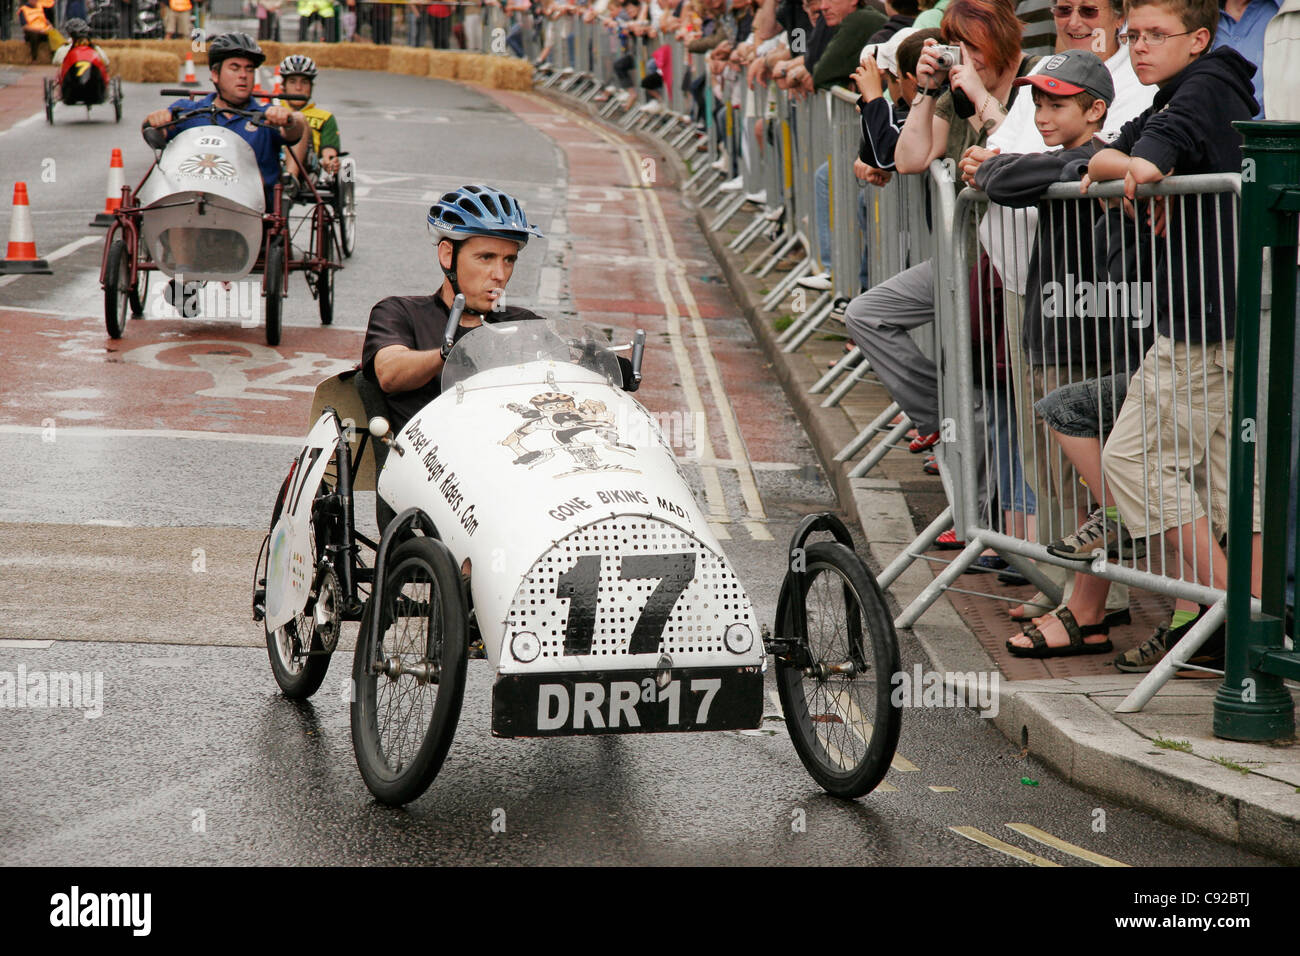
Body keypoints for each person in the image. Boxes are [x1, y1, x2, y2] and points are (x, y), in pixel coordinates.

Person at [1084, 0, 1261, 673]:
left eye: (1157, 35)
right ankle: (1243, 627)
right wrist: (1124, 168)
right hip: (1223, 312)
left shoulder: (1202, 89)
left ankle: (1233, 617)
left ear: (1199, 37)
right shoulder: (1183, 90)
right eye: (1132, 35)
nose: (1139, 47)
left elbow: (1145, 165)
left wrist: (1137, 172)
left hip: (1205, 317)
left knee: (1130, 462)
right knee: (1227, 489)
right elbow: (1107, 155)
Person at [967, 50, 1120, 656]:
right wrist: (1008, 169)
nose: (1042, 112)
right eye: (1037, 101)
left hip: (1092, 338)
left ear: (1095, 108)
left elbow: (1005, 178)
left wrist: (1005, 169)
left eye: (1057, 103)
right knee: (1071, 490)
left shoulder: (1099, 158)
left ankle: (1095, 609)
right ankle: (1083, 607)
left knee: (1099, 490)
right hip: (1051, 331)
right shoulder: (1058, 161)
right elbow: (1005, 181)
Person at [362, 185, 547, 436]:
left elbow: (577, 358)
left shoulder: (523, 324)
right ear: (448, 255)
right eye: (486, 258)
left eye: (509, 260)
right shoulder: (400, 312)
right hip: (424, 462)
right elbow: (390, 372)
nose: (500, 275)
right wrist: (445, 353)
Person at [144, 34, 307, 213]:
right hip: (190, 212)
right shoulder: (188, 111)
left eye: (249, 69)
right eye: (235, 68)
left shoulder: (266, 117)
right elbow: (152, 131)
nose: (243, 75)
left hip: (251, 217)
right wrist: (153, 120)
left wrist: (290, 119)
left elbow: (296, 129)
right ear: (215, 74)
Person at [276, 54, 341, 188]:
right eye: (293, 82)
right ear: (284, 85)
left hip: (306, 170)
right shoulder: (272, 110)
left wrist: (329, 162)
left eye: (304, 82)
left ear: (311, 86)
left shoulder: (325, 117)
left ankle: (290, 179)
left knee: (298, 119)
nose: (298, 88)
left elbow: (328, 152)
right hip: (271, 161)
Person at [53, 17, 111, 103]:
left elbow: (55, 62)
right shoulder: (95, 49)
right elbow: (106, 62)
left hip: (71, 93)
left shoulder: (63, 50)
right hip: (95, 92)